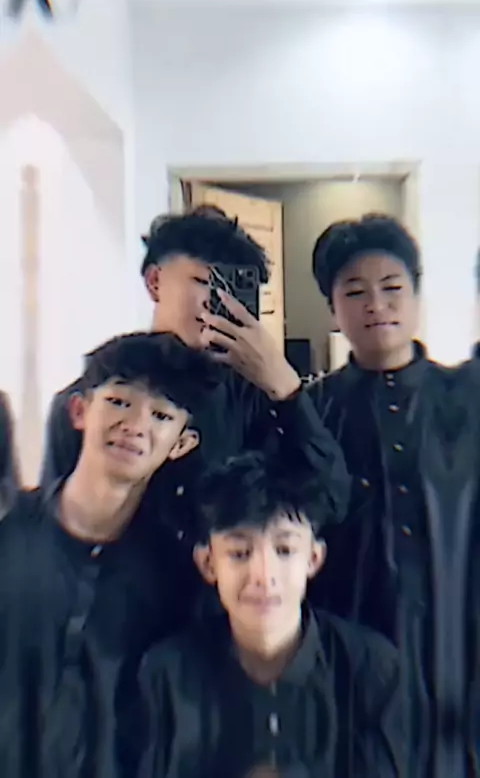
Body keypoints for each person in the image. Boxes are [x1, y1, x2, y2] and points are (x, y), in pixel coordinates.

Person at [40, 208, 348, 537]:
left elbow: (330, 501)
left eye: (230, 290)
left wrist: (285, 387)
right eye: (204, 282)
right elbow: (53, 530)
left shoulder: (256, 399)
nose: (216, 302)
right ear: (155, 282)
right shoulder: (97, 395)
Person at [0, 331, 221, 778]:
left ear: (181, 444)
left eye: (161, 415)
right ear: (79, 410)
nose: (135, 425)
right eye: (119, 402)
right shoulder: (9, 534)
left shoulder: (177, 578)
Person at [307, 213, 477, 778]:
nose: (376, 305)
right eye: (355, 292)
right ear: (333, 310)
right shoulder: (313, 412)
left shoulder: (466, 396)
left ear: (417, 294)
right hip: (358, 633)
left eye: (392, 287)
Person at [136, 451, 403, 778]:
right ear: (208, 563)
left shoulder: (373, 671)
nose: (263, 575)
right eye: (240, 553)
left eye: (284, 550)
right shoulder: (166, 674)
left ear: (313, 559)